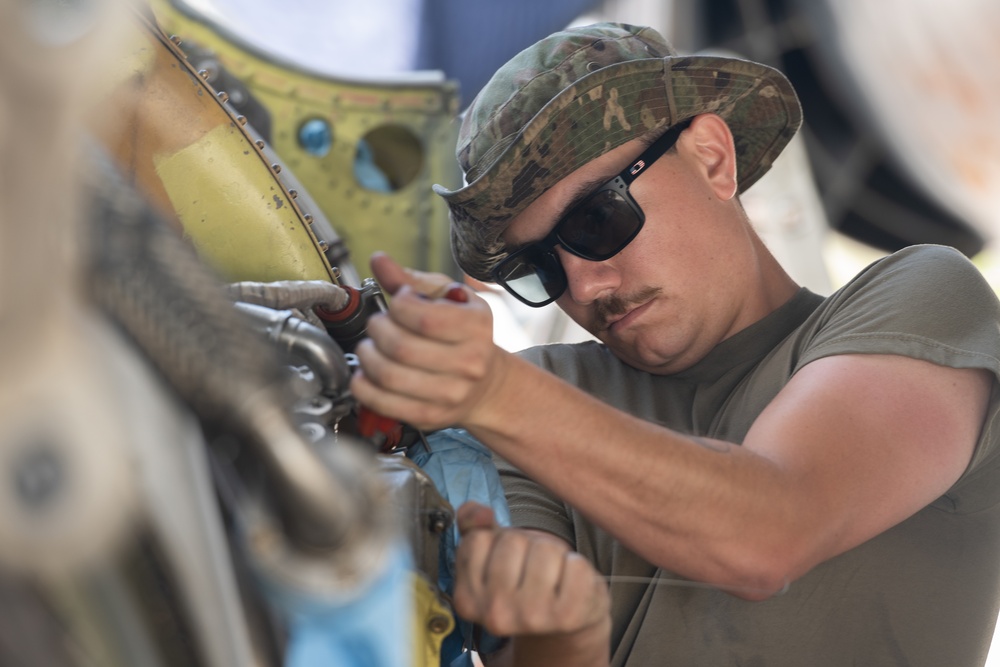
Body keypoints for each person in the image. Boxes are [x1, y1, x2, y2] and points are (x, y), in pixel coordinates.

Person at [350, 22, 1000, 667]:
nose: (581, 282)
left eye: (597, 219)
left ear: (712, 158)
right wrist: (561, 629)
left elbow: (771, 530)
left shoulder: (920, 297)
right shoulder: (539, 396)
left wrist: (489, 389)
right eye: (541, 265)